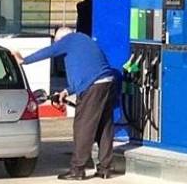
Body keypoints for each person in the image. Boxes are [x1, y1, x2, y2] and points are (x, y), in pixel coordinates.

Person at [16, 27, 119, 180]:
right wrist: (66, 91)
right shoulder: (84, 41)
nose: (59, 46)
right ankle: (105, 168)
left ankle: (77, 170)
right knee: (104, 126)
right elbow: (84, 74)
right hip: (107, 83)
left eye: (58, 43)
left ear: (61, 39)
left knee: (83, 127)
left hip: (93, 87)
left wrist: (25, 60)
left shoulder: (70, 40)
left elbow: (49, 51)